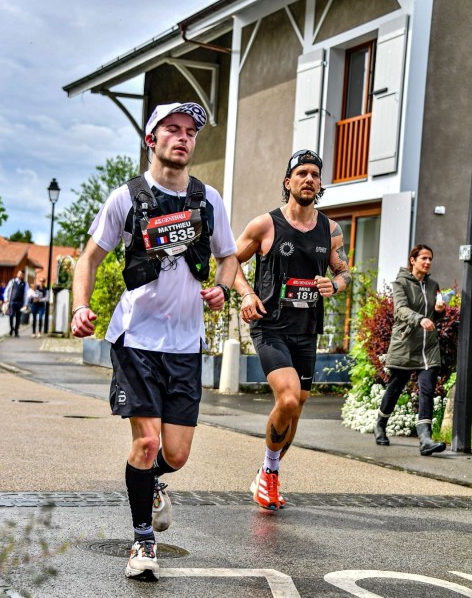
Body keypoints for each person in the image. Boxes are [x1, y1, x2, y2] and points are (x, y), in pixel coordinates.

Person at [71, 102, 237, 580]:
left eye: (190, 132)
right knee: (145, 443)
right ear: (152, 140)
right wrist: (82, 306)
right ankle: (143, 541)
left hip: (185, 344)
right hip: (136, 338)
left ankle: (153, 483)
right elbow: (88, 260)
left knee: (176, 454)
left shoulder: (209, 200)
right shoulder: (126, 198)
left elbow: (228, 257)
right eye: (172, 129)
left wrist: (221, 288)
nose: (182, 138)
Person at [234, 149, 352, 511]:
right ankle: (269, 473)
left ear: (320, 184)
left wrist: (338, 284)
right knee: (286, 398)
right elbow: (228, 262)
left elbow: (343, 272)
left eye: (315, 174)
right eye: (301, 173)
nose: (309, 179)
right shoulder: (265, 225)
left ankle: (265, 473)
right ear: (288, 182)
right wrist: (247, 294)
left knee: (296, 408)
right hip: (270, 327)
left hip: (306, 329)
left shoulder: (330, 229)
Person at [374, 244, 446, 456]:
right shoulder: (401, 283)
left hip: (428, 347)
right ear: (412, 260)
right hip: (405, 345)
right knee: (395, 388)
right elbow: (401, 310)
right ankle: (380, 425)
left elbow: (435, 316)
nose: (427, 262)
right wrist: (420, 318)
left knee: (426, 390)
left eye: (430, 258)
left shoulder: (433, 285)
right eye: (423, 258)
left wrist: (439, 312)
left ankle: (425, 438)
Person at [4, 270, 29, 337]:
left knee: (18, 317)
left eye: (22, 274)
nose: (21, 275)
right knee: (11, 315)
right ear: (17, 274)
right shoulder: (12, 282)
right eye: (20, 274)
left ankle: (16, 331)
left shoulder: (25, 284)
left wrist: (26, 304)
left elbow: (26, 294)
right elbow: (7, 290)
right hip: (12, 301)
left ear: (23, 276)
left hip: (20, 303)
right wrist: (6, 299)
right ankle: (11, 328)